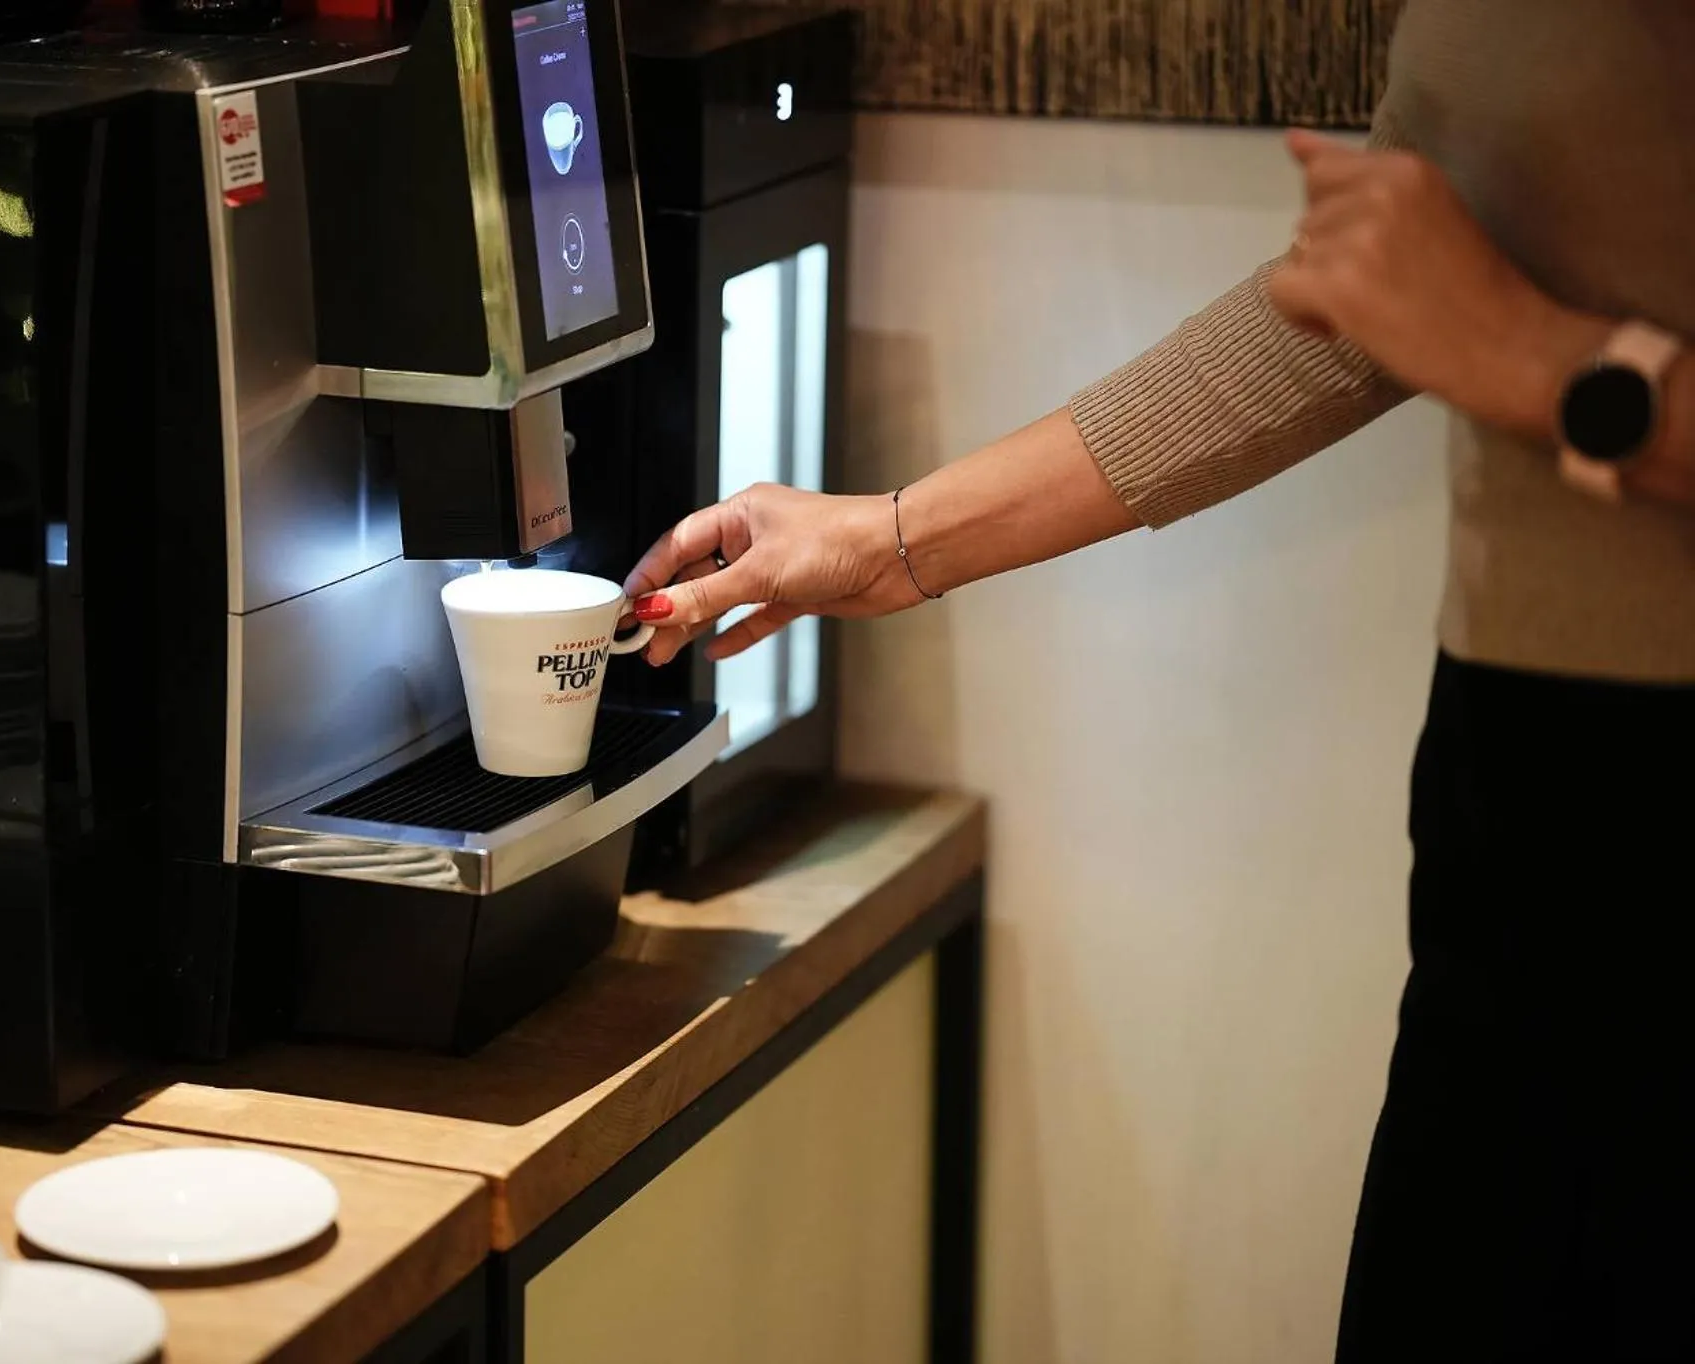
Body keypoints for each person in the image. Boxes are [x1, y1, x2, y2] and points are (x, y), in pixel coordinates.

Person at [622, 2, 1695, 1360]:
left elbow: (1478, 321)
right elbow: (1362, 303)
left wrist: (1556, 373)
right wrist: (890, 541)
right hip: (1520, 787)